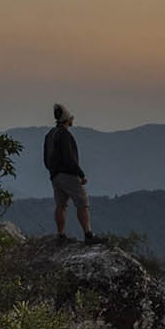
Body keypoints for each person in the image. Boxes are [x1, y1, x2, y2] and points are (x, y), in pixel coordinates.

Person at [44, 104, 101, 244]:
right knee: (82, 203)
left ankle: (61, 235)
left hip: (55, 175)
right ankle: (88, 235)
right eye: (71, 118)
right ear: (67, 120)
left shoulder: (50, 134)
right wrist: (81, 174)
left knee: (61, 205)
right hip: (68, 174)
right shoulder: (65, 135)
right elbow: (69, 158)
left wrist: (52, 171)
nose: (72, 121)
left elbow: (46, 156)